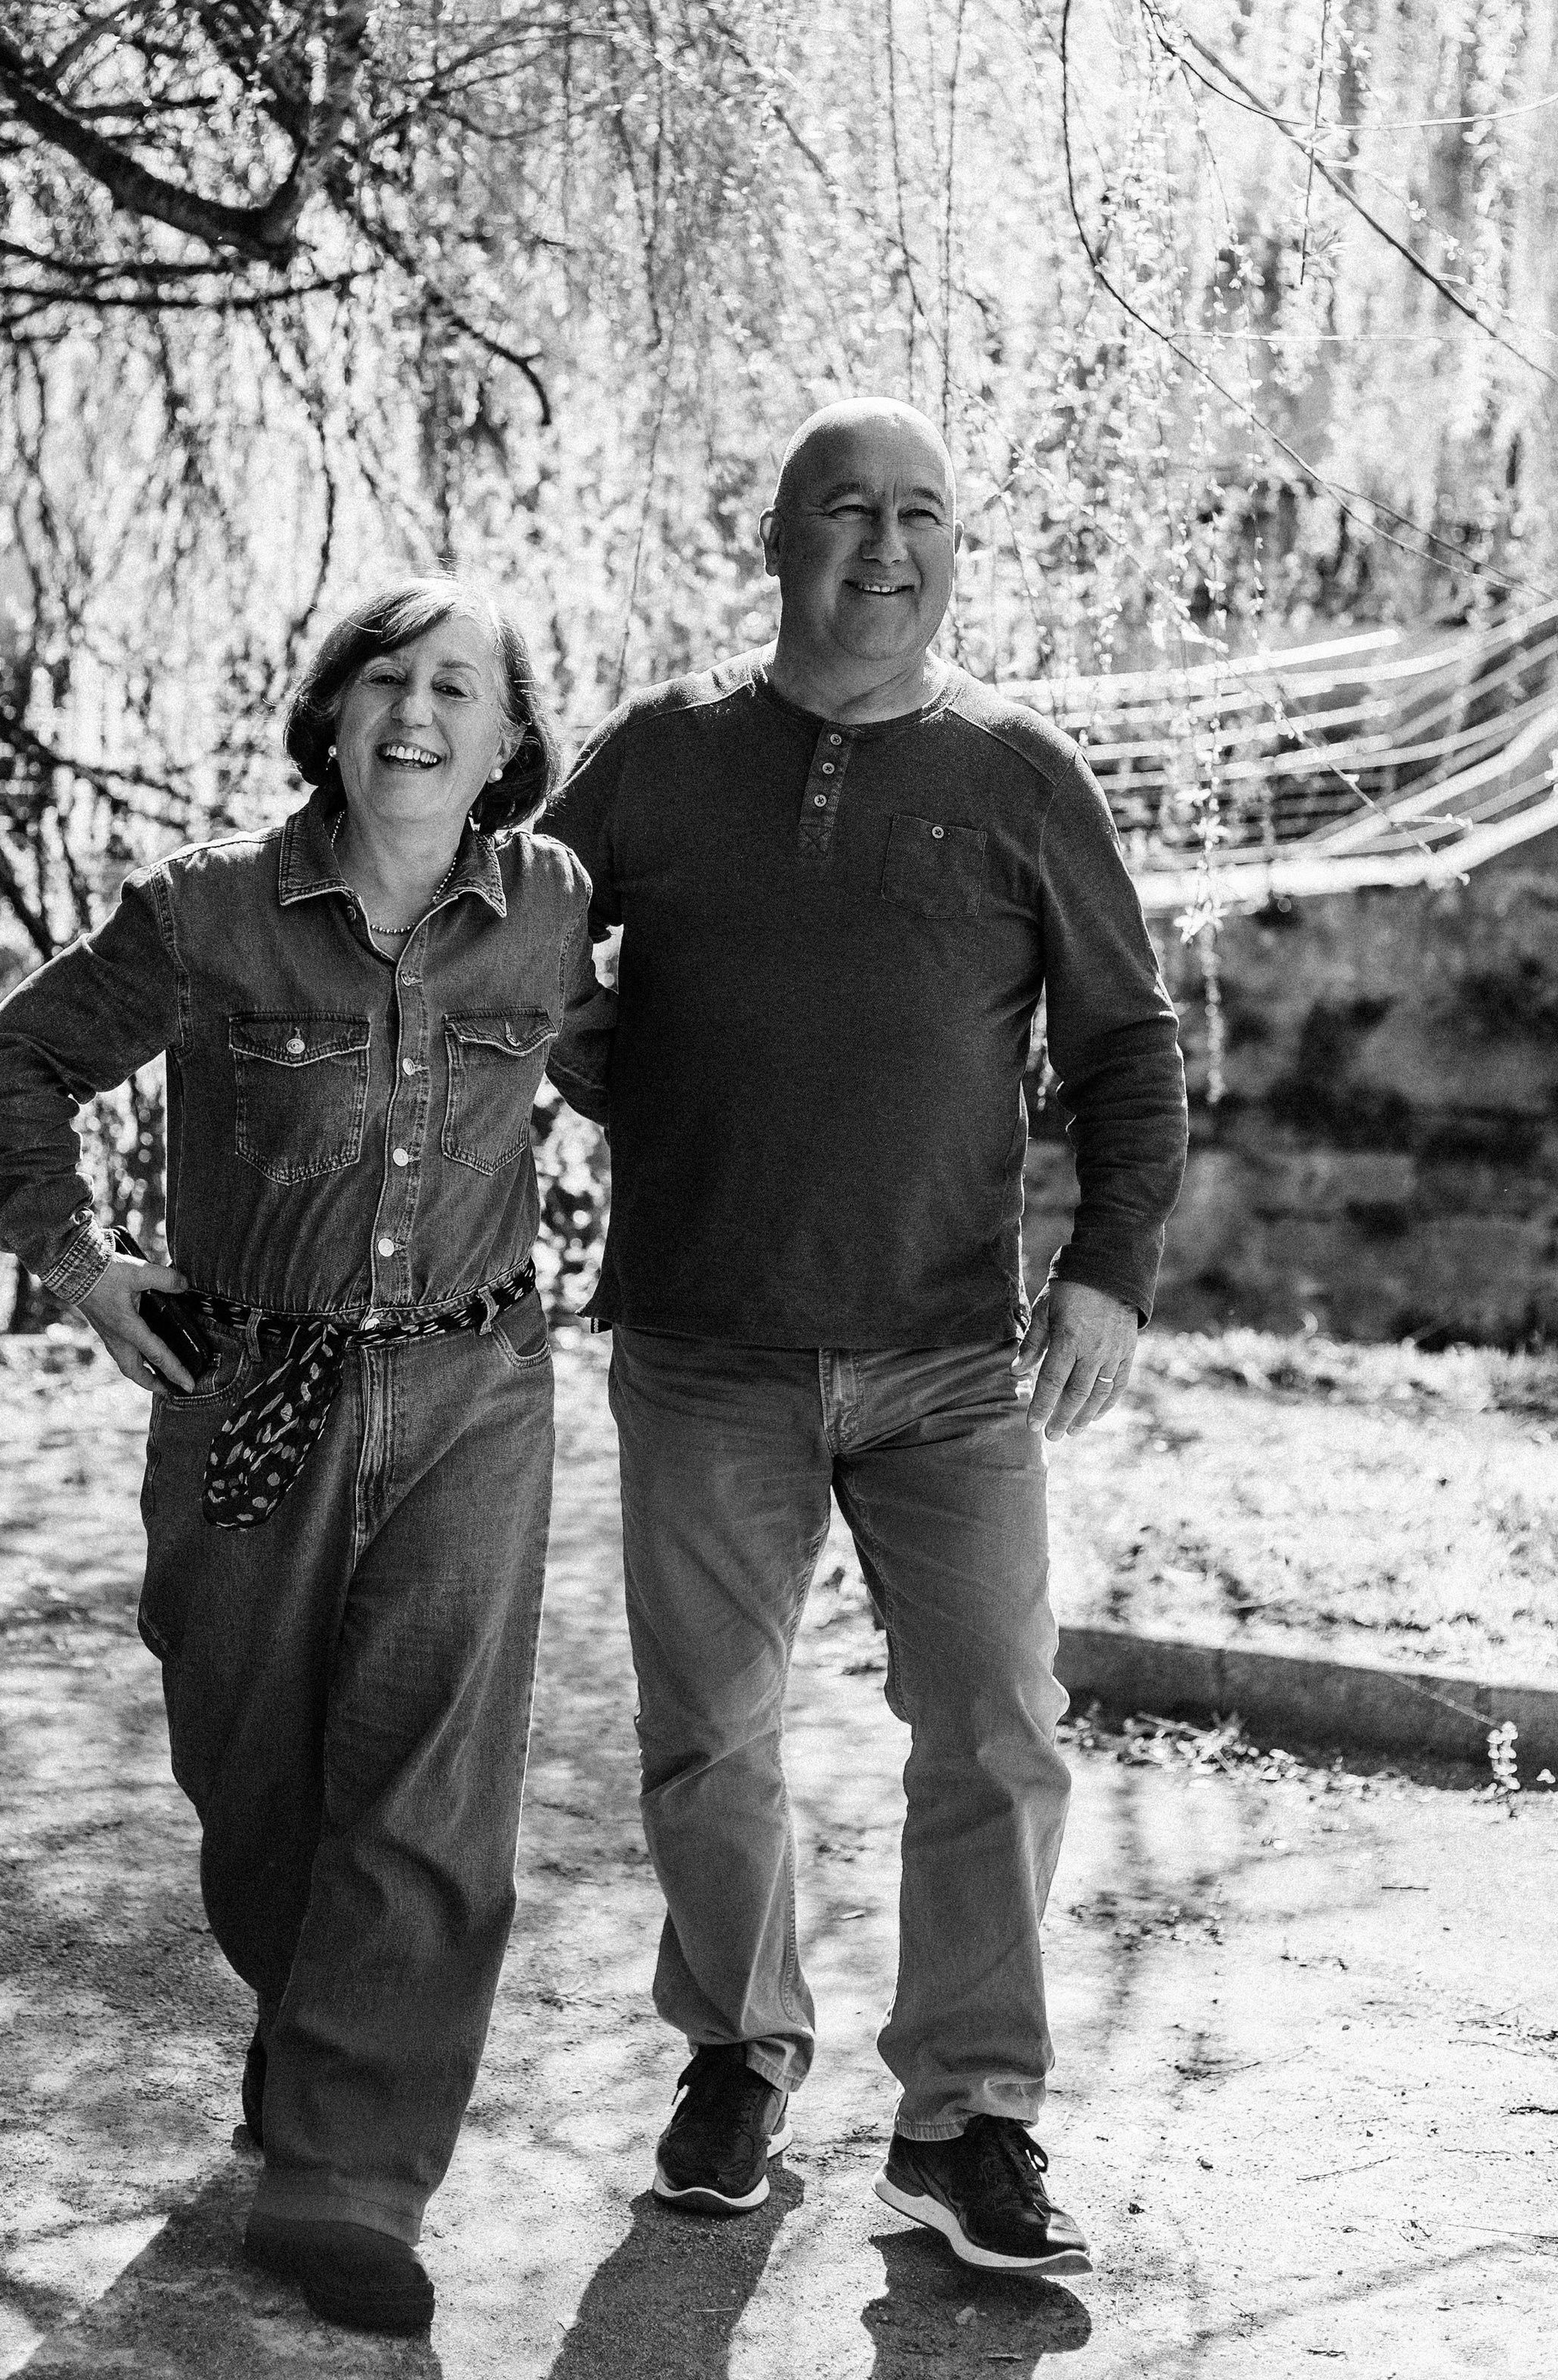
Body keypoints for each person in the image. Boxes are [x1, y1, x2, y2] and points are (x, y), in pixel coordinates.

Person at [544, 398, 1188, 2276]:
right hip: (701, 1338)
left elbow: (1125, 1041)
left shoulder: (1015, 773)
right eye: (845, 511)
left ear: (953, 547)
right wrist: (605, 1067)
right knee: (708, 1731)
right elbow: (510, 950)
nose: (883, 548)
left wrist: (1108, 1270)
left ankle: (963, 2120)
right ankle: (737, 2059)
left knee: (993, 1726)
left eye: (920, 515)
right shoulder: (653, 760)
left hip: (943, 1356)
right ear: (774, 537)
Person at [0, 580, 611, 2338]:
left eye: (456, 690)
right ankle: (314, 2038)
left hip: (474, 1389)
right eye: (384, 682)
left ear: (505, 746)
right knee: (252, 1764)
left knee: (428, 1785)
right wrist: (87, 1273)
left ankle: (347, 2178)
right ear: (328, 717)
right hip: (248, 1387)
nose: (415, 714)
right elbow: (20, 1063)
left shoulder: (548, 911)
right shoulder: (207, 916)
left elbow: (645, 1072)